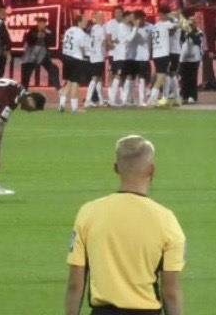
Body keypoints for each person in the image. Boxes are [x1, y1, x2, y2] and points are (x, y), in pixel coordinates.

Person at [64, 134, 186, 315]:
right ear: (152, 170)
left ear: (116, 168)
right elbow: (171, 292)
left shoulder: (88, 213)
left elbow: (75, 283)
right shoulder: (167, 220)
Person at [20, 17, 62, 99]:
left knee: (52, 69)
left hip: (43, 54)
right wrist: (36, 36)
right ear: (38, 23)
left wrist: (47, 36)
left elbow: (51, 42)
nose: (42, 25)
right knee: (26, 73)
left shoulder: (48, 31)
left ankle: (59, 89)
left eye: (44, 23)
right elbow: (29, 41)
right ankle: (24, 92)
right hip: (33, 55)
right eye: (41, 23)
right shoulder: (32, 30)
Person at [60, 13, 92, 113]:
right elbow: (82, 48)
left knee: (69, 82)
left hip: (66, 57)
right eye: (84, 21)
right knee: (75, 83)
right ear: (79, 22)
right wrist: (85, 58)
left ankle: (61, 104)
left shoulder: (69, 30)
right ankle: (74, 108)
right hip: (75, 58)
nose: (86, 22)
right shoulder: (81, 33)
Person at [178, 15, 204, 104]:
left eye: (192, 23)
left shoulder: (199, 32)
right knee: (184, 78)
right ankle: (184, 96)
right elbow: (180, 40)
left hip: (194, 58)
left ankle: (192, 96)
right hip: (184, 58)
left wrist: (191, 33)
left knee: (193, 78)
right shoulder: (183, 32)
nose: (190, 24)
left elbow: (198, 41)